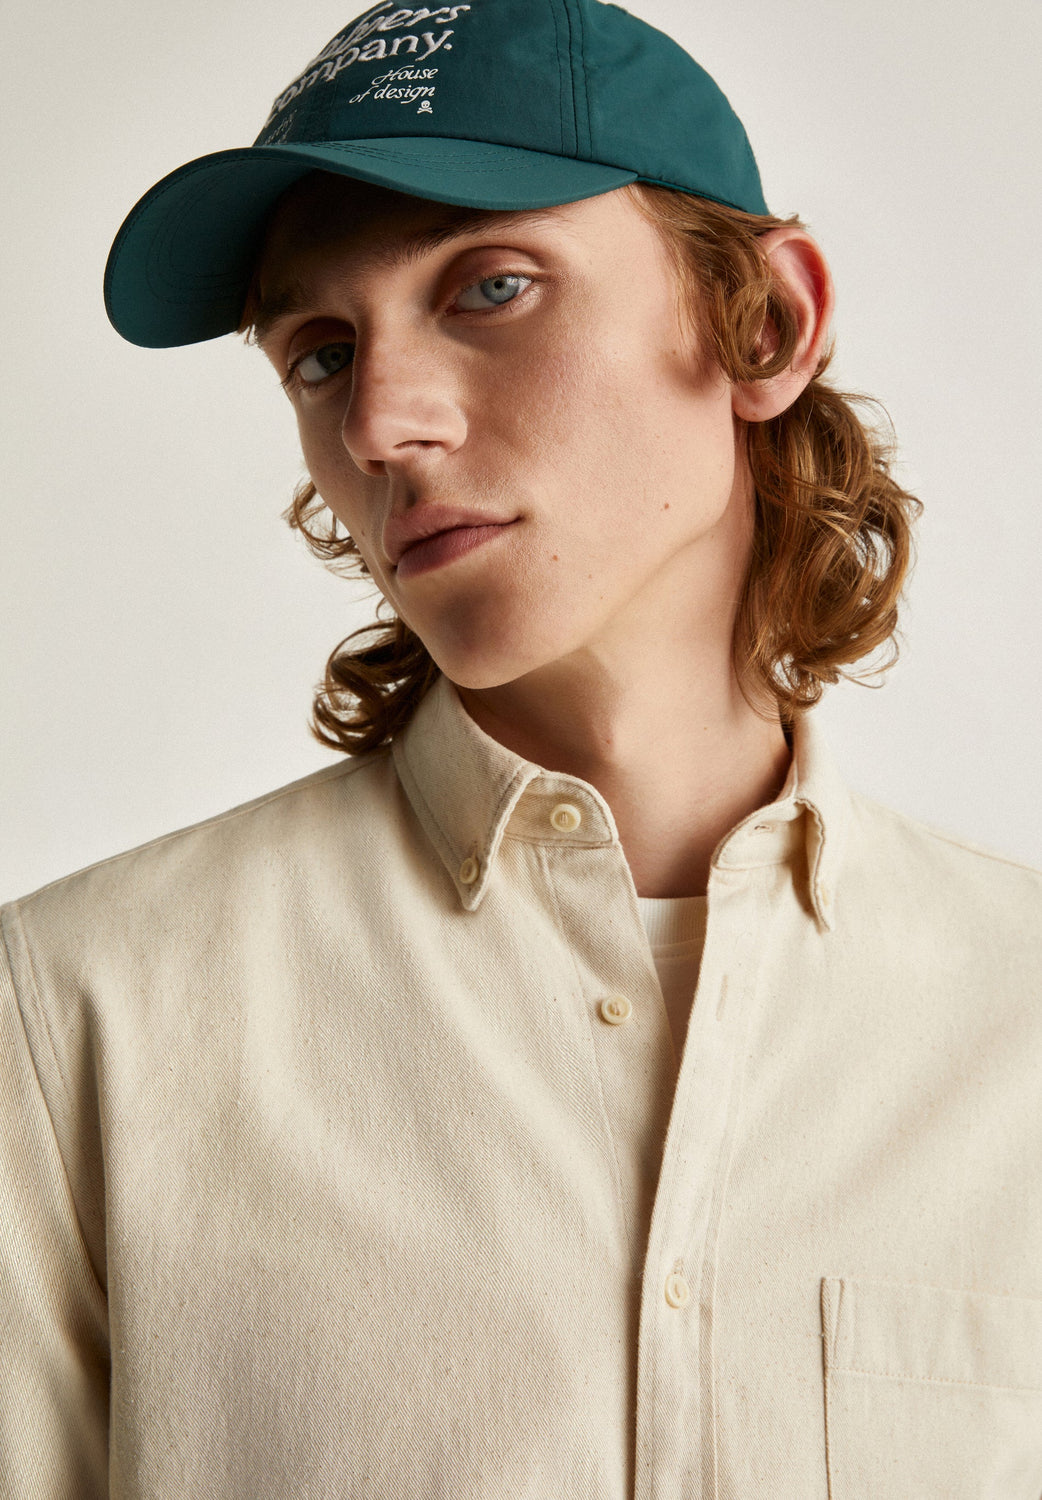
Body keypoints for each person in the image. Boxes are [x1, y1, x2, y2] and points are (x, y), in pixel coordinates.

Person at [3, 0, 1041, 1494]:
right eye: (318, 353)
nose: (380, 422)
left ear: (765, 322)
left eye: (492, 286)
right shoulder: (74, 1020)